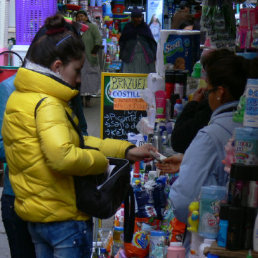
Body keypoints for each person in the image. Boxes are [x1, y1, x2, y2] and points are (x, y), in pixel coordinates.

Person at [1, 14, 156, 258]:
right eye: (77, 69)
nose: (80, 78)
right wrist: (100, 163)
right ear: (57, 66)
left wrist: (124, 151)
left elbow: (76, 140)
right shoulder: (48, 102)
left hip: (38, 217)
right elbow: (63, 156)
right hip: (63, 218)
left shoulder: (21, 97)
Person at [159, 54, 257, 252]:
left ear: (220, 92)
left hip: (213, 245)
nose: (206, 96)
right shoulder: (249, 128)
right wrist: (189, 160)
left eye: (209, 90)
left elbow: (183, 202)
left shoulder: (210, 136)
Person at [170, 48, 235, 154]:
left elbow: (178, 140)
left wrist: (193, 104)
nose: (205, 82)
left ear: (220, 92)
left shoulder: (210, 128)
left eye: (209, 84)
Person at [0, 76, 36, 258]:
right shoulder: (9, 88)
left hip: (62, 200)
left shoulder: (68, 86)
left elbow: (81, 133)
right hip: (18, 196)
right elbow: (1, 146)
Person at [76, 10, 103, 107]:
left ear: (86, 18)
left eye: (82, 16)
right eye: (78, 16)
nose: (80, 18)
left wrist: (94, 51)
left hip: (89, 57)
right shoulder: (75, 28)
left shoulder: (92, 27)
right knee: (78, 78)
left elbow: (98, 39)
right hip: (77, 58)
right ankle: (79, 100)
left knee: (90, 78)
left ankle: (88, 99)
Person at [119, 7, 157, 73]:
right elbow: (122, 41)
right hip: (129, 58)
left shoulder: (145, 27)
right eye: (136, 17)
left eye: (140, 17)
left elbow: (151, 42)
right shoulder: (128, 27)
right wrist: (123, 53)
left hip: (145, 59)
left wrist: (154, 55)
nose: (138, 19)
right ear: (132, 18)